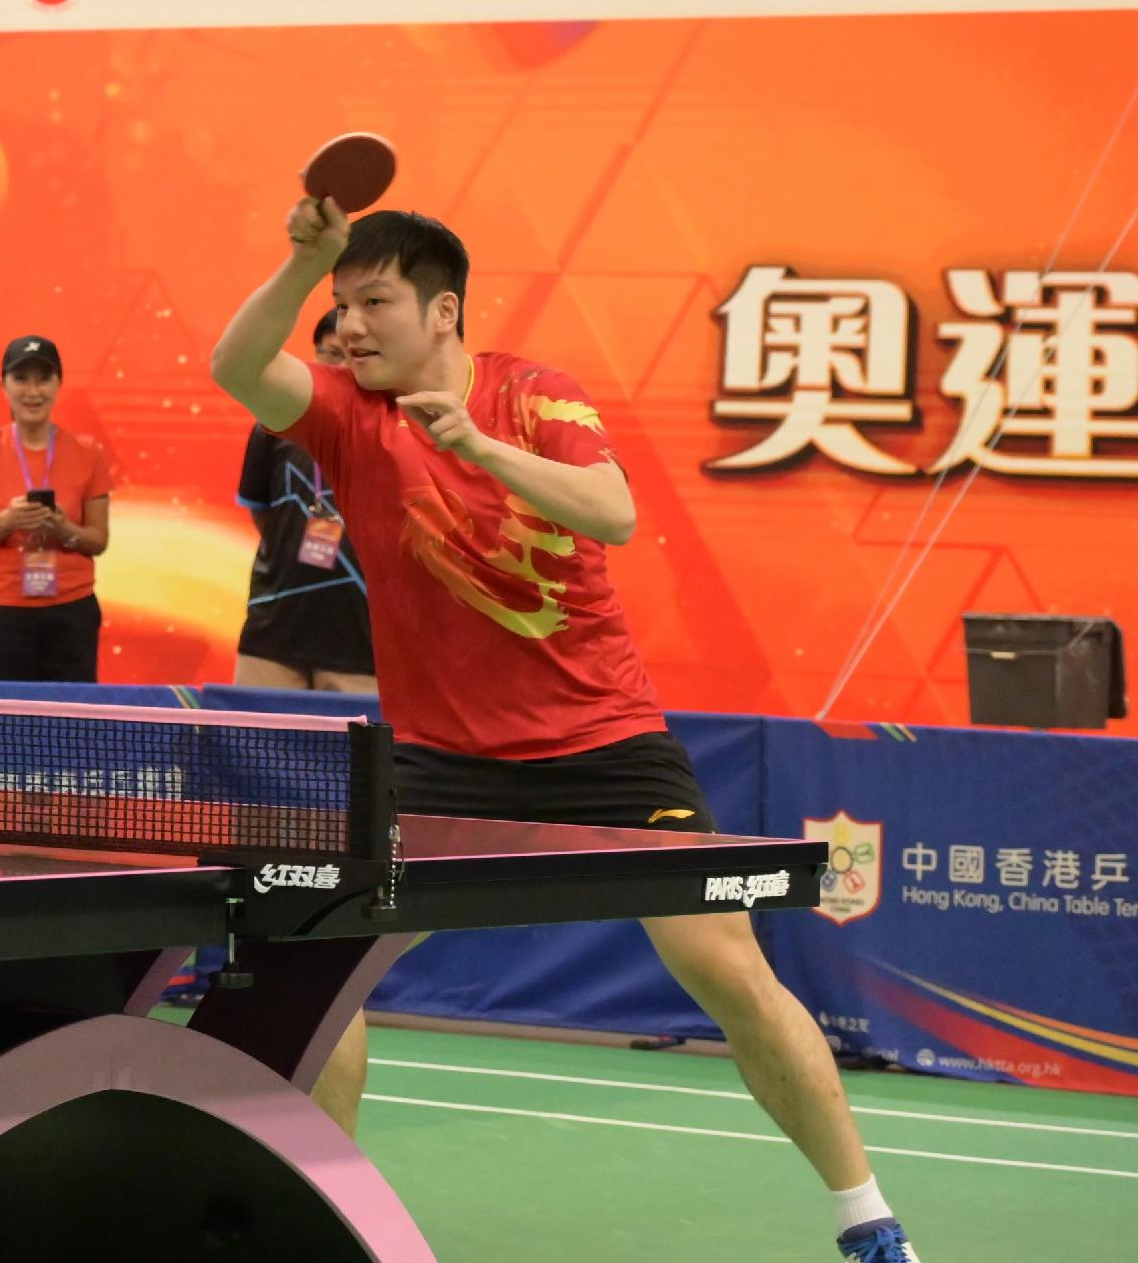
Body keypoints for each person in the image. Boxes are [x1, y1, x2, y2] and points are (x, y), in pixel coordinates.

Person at [208, 203, 919, 1263]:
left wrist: (477, 444)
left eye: (372, 301)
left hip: (601, 744)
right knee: (317, 964)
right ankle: (330, 1223)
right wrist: (298, 260)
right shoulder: (346, 416)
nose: (348, 325)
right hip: (439, 758)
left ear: (442, 308)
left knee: (725, 971)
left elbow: (612, 512)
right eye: (338, 303)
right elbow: (235, 365)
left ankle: (865, 1216)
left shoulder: (533, 395)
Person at [229, 306, 373, 695]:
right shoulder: (273, 423)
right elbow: (263, 515)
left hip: (364, 644)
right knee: (257, 753)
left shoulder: (394, 428)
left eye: (352, 355)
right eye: (330, 353)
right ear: (314, 355)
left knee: (360, 757)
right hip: (274, 634)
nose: (341, 367)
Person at [0, 334, 111, 682]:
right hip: (3, 612)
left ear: (59, 384)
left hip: (71, 611)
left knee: (71, 726)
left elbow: (98, 541)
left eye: (44, 378)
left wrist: (63, 530)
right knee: (2, 725)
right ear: (4, 385)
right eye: (21, 378)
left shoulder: (88, 453)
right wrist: (8, 521)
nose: (33, 391)